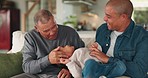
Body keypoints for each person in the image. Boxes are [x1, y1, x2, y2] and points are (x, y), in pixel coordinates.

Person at [82, 0, 148, 78]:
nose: (104, 18)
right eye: (105, 15)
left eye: (109, 16)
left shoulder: (142, 36)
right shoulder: (102, 29)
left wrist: (108, 59)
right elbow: (95, 57)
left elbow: (140, 71)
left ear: (123, 17)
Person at [12, 9, 85, 78]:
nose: (52, 32)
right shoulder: (31, 37)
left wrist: (70, 70)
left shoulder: (70, 33)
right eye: (46, 31)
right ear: (36, 28)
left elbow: (83, 58)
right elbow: (27, 67)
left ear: (55, 20)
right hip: (36, 75)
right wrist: (48, 59)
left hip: (60, 75)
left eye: (54, 27)